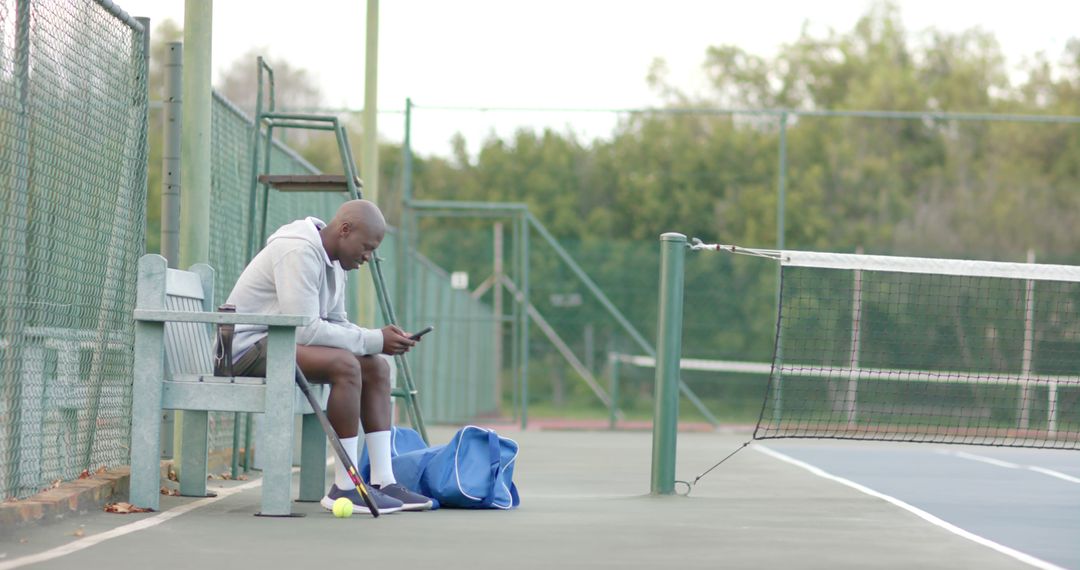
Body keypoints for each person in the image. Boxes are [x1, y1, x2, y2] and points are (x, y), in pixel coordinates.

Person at [219, 199, 432, 515]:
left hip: (282, 346)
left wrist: (378, 342)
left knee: (375, 366)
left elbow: (335, 324)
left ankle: (383, 481)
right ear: (345, 230)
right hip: (245, 351)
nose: (368, 257)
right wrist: (373, 338)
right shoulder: (298, 251)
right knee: (345, 365)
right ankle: (346, 488)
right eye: (367, 247)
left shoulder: (336, 261)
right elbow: (305, 330)